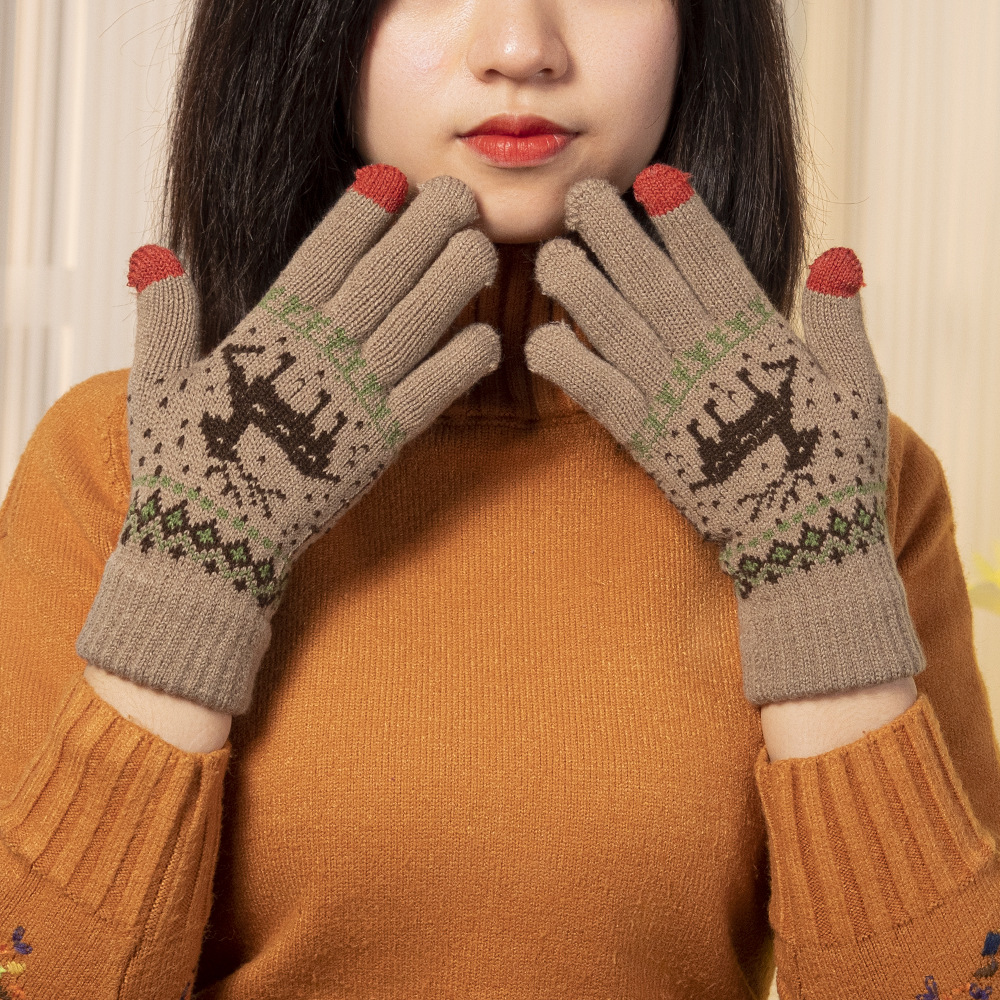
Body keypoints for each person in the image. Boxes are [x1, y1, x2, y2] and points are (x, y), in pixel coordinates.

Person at [1, 0, 998, 997]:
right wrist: (190, 579)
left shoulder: (838, 479)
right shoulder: (122, 464)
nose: (521, 46)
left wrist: (819, 592)